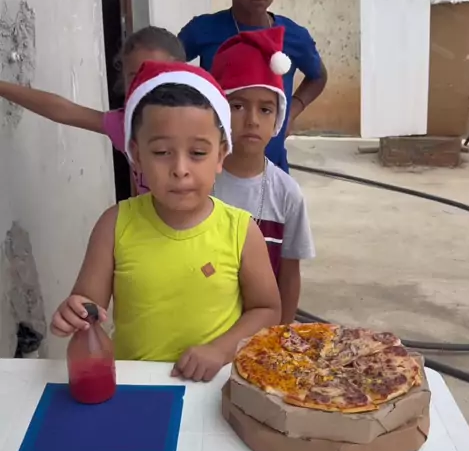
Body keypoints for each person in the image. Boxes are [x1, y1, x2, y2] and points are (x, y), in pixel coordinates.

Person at [51, 61, 281, 381]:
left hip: (213, 387)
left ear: (220, 155)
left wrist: (219, 350)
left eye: (197, 153)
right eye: (161, 152)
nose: (180, 169)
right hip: (134, 385)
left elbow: (267, 310)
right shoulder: (114, 225)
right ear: (136, 154)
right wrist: (74, 312)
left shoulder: (241, 231)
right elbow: (88, 307)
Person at [178, 0, 327, 173]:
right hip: (215, 168)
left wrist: (292, 110)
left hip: (271, 167)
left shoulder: (293, 36)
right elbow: (167, 67)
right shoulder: (203, 30)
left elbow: (318, 76)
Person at [0, 26, 185, 194]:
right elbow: (63, 110)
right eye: (134, 77)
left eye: (156, 75)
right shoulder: (125, 126)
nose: (145, 85)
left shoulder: (196, 122)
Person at [211, 26, 315, 324]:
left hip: (261, 335)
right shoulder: (198, 184)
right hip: (203, 330)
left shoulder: (286, 194)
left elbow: (289, 274)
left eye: (266, 110)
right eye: (238, 106)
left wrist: (280, 334)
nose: (253, 120)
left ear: (278, 119)